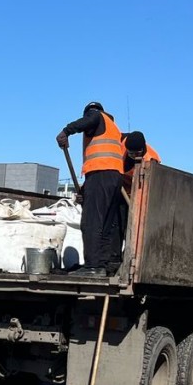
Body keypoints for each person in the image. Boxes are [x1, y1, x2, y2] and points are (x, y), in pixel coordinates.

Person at [56, 101, 126, 275]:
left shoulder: (96, 116)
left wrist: (66, 131)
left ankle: (92, 267)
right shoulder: (113, 127)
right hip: (113, 177)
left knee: (92, 222)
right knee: (105, 224)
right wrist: (85, 192)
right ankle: (101, 265)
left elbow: (89, 120)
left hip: (101, 174)